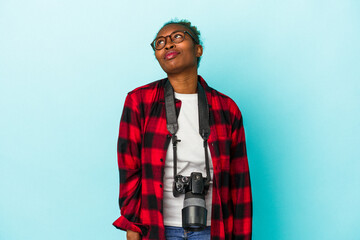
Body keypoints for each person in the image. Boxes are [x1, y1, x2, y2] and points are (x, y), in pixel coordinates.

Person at [113, 19, 252, 240]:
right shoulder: (140, 102)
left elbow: (240, 184)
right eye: (159, 43)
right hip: (157, 228)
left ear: (198, 49)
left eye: (177, 37)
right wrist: (133, 227)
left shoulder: (227, 109)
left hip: (212, 229)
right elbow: (130, 174)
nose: (167, 45)